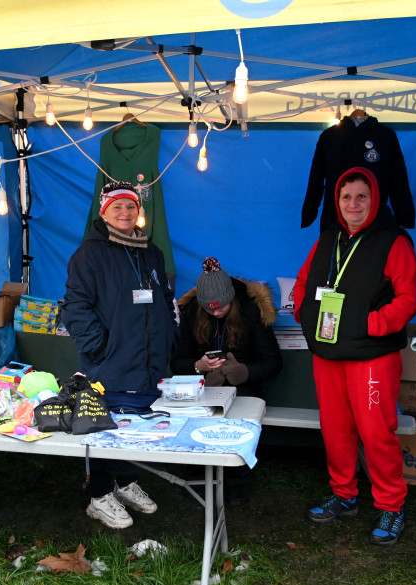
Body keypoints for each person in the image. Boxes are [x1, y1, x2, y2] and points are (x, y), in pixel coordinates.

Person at [294, 167, 416, 545]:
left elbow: (410, 297)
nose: (353, 204)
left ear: (374, 199)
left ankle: (390, 505)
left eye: (361, 197)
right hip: (328, 352)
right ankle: (344, 494)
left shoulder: (394, 241)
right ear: (337, 201)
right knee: (335, 429)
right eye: (346, 197)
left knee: (375, 431)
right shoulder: (327, 238)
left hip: (371, 356)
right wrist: (305, 313)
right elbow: (303, 281)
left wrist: (374, 324)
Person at [63, 181, 178, 530]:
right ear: (104, 212)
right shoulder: (89, 254)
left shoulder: (151, 252)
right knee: (103, 430)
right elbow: (75, 308)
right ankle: (99, 496)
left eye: (131, 207)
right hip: (109, 364)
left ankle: (125, 483)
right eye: (117, 207)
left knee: (134, 427)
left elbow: (163, 301)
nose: (125, 213)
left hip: (147, 363)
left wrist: (167, 338)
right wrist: (100, 347)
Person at [172, 256, 283, 504]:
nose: (216, 311)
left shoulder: (252, 313)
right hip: (204, 389)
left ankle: (237, 480)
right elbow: (176, 361)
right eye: (209, 308)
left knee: (236, 419)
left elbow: (273, 362)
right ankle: (197, 478)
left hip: (244, 388)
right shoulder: (192, 314)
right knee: (195, 416)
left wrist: (245, 372)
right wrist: (197, 366)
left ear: (232, 299)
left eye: (221, 306)